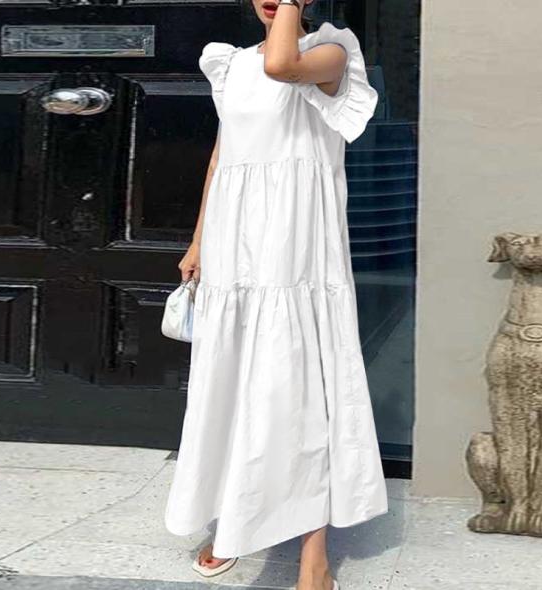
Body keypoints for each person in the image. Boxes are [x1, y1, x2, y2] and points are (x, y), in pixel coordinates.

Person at [164, 2, 388, 589]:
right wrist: (199, 241)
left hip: (298, 245)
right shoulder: (229, 63)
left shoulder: (330, 52)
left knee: (299, 382)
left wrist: (291, 7)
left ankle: (315, 552)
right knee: (234, 377)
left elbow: (282, 65)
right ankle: (235, 519)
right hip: (235, 240)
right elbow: (223, 155)